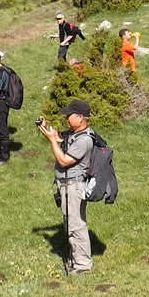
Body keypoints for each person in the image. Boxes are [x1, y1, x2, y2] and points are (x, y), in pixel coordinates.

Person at [39, 99, 96, 275]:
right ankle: (75, 258)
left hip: (74, 187)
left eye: (69, 116)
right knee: (70, 223)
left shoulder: (84, 140)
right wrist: (45, 128)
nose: (66, 119)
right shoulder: (75, 133)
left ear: (80, 118)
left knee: (76, 226)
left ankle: (83, 265)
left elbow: (64, 161)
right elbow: (57, 137)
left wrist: (52, 141)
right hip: (67, 186)